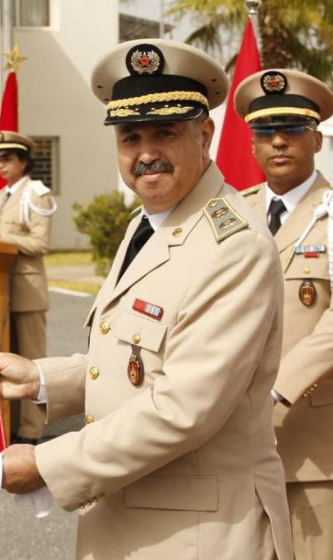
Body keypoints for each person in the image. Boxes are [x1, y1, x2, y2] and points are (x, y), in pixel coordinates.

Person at [0, 40, 294, 559]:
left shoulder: (234, 247)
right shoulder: (151, 223)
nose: (146, 153)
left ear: (205, 134)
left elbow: (182, 408)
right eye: (130, 136)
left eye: (165, 132)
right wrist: (39, 380)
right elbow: (134, 362)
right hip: (137, 513)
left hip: (201, 533)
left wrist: (45, 464)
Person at [234, 68, 333, 559]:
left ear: (316, 138)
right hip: (233, 443)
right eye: (264, 132)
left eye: (292, 130)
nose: (277, 142)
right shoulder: (232, 213)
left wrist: (277, 389)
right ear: (251, 144)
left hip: (311, 445)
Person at [0, 131, 56, 445]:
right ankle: (9, 425)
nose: (1, 165)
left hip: (27, 291)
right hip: (1, 292)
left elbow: (40, 243)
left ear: (24, 161)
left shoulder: (36, 193)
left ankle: (31, 430)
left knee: (32, 363)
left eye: (8, 159)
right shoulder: (3, 195)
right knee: (6, 360)